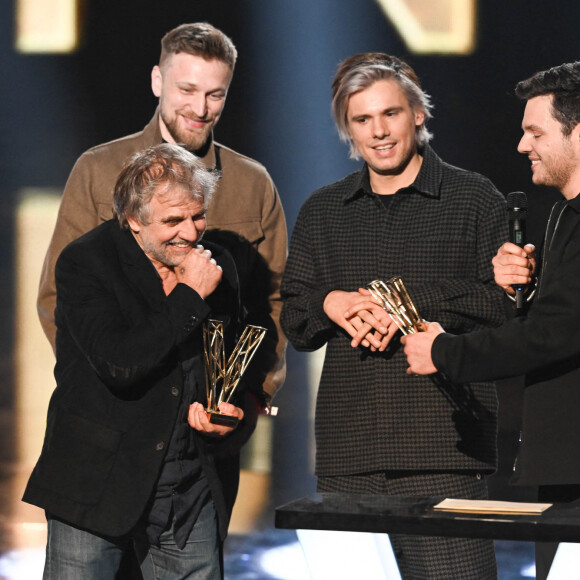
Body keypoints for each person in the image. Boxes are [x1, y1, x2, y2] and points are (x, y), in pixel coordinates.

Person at [280, 53, 507, 579]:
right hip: (349, 456)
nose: (379, 132)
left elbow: (502, 305)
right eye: (362, 120)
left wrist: (405, 302)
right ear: (347, 129)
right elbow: (294, 319)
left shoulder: (473, 199)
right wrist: (329, 304)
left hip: (445, 450)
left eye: (391, 114)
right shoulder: (323, 210)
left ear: (418, 114)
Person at [24, 143, 253, 579]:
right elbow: (119, 363)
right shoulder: (86, 262)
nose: (191, 232)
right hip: (97, 481)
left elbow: (225, 364)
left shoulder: (216, 266)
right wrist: (188, 295)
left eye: (198, 215)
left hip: (186, 488)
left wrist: (227, 414)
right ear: (133, 219)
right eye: (173, 221)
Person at [37, 21, 287, 410]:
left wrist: (250, 395)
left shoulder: (251, 182)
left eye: (215, 94)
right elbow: (60, 295)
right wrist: (102, 384)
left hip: (211, 416)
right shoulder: (98, 169)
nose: (200, 109)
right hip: (121, 414)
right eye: (186, 90)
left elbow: (274, 300)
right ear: (158, 81)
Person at [403, 61, 580, 580]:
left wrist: (443, 352)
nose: (523, 145)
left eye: (535, 131)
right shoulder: (562, 213)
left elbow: (554, 333)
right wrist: (522, 290)